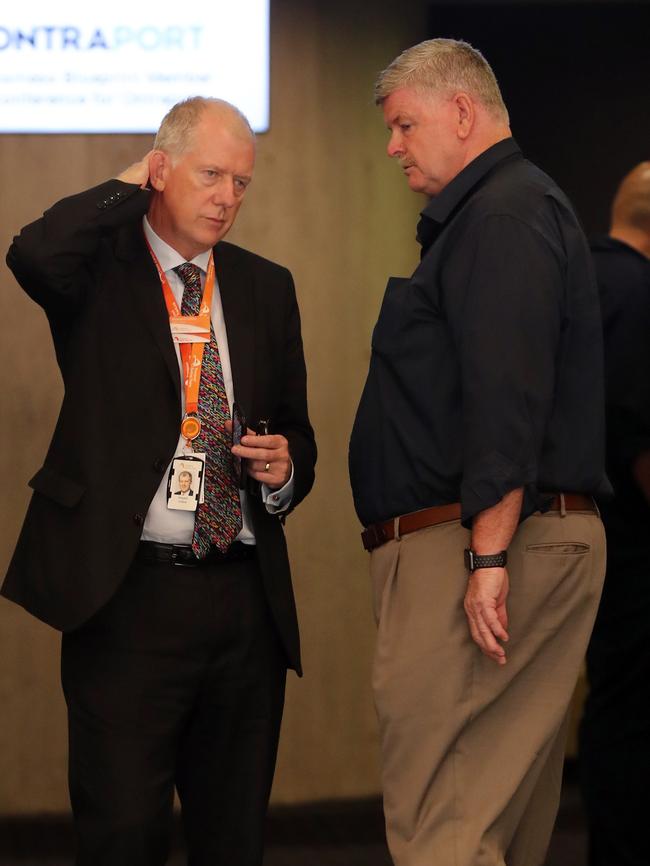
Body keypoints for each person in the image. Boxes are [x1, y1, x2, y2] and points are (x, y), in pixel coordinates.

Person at [3, 96, 316, 866]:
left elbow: (298, 430)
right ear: (162, 168)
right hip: (129, 597)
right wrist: (126, 185)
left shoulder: (266, 286)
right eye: (211, 174)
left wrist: (285, 470)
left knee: (232, 837)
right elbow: (33, 251)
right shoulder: (97, 276)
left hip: (244, 601)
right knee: (122, 835)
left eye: (242, 182)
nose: (227, 197)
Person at [348, 38, 609, 866]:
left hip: (482, 547)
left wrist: (487, 557)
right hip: (508, 540)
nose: (393, 145)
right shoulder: (507, 210)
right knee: (494, 828)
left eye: (403, 124)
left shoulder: (500, 213)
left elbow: (509, 392)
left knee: (444, 829)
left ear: (461, 112)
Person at [579, 162, 650, 866]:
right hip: (638, 550)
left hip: (579, 537)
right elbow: (642, 435)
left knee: (611, 713)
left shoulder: (577, 282)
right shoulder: (641, 293)